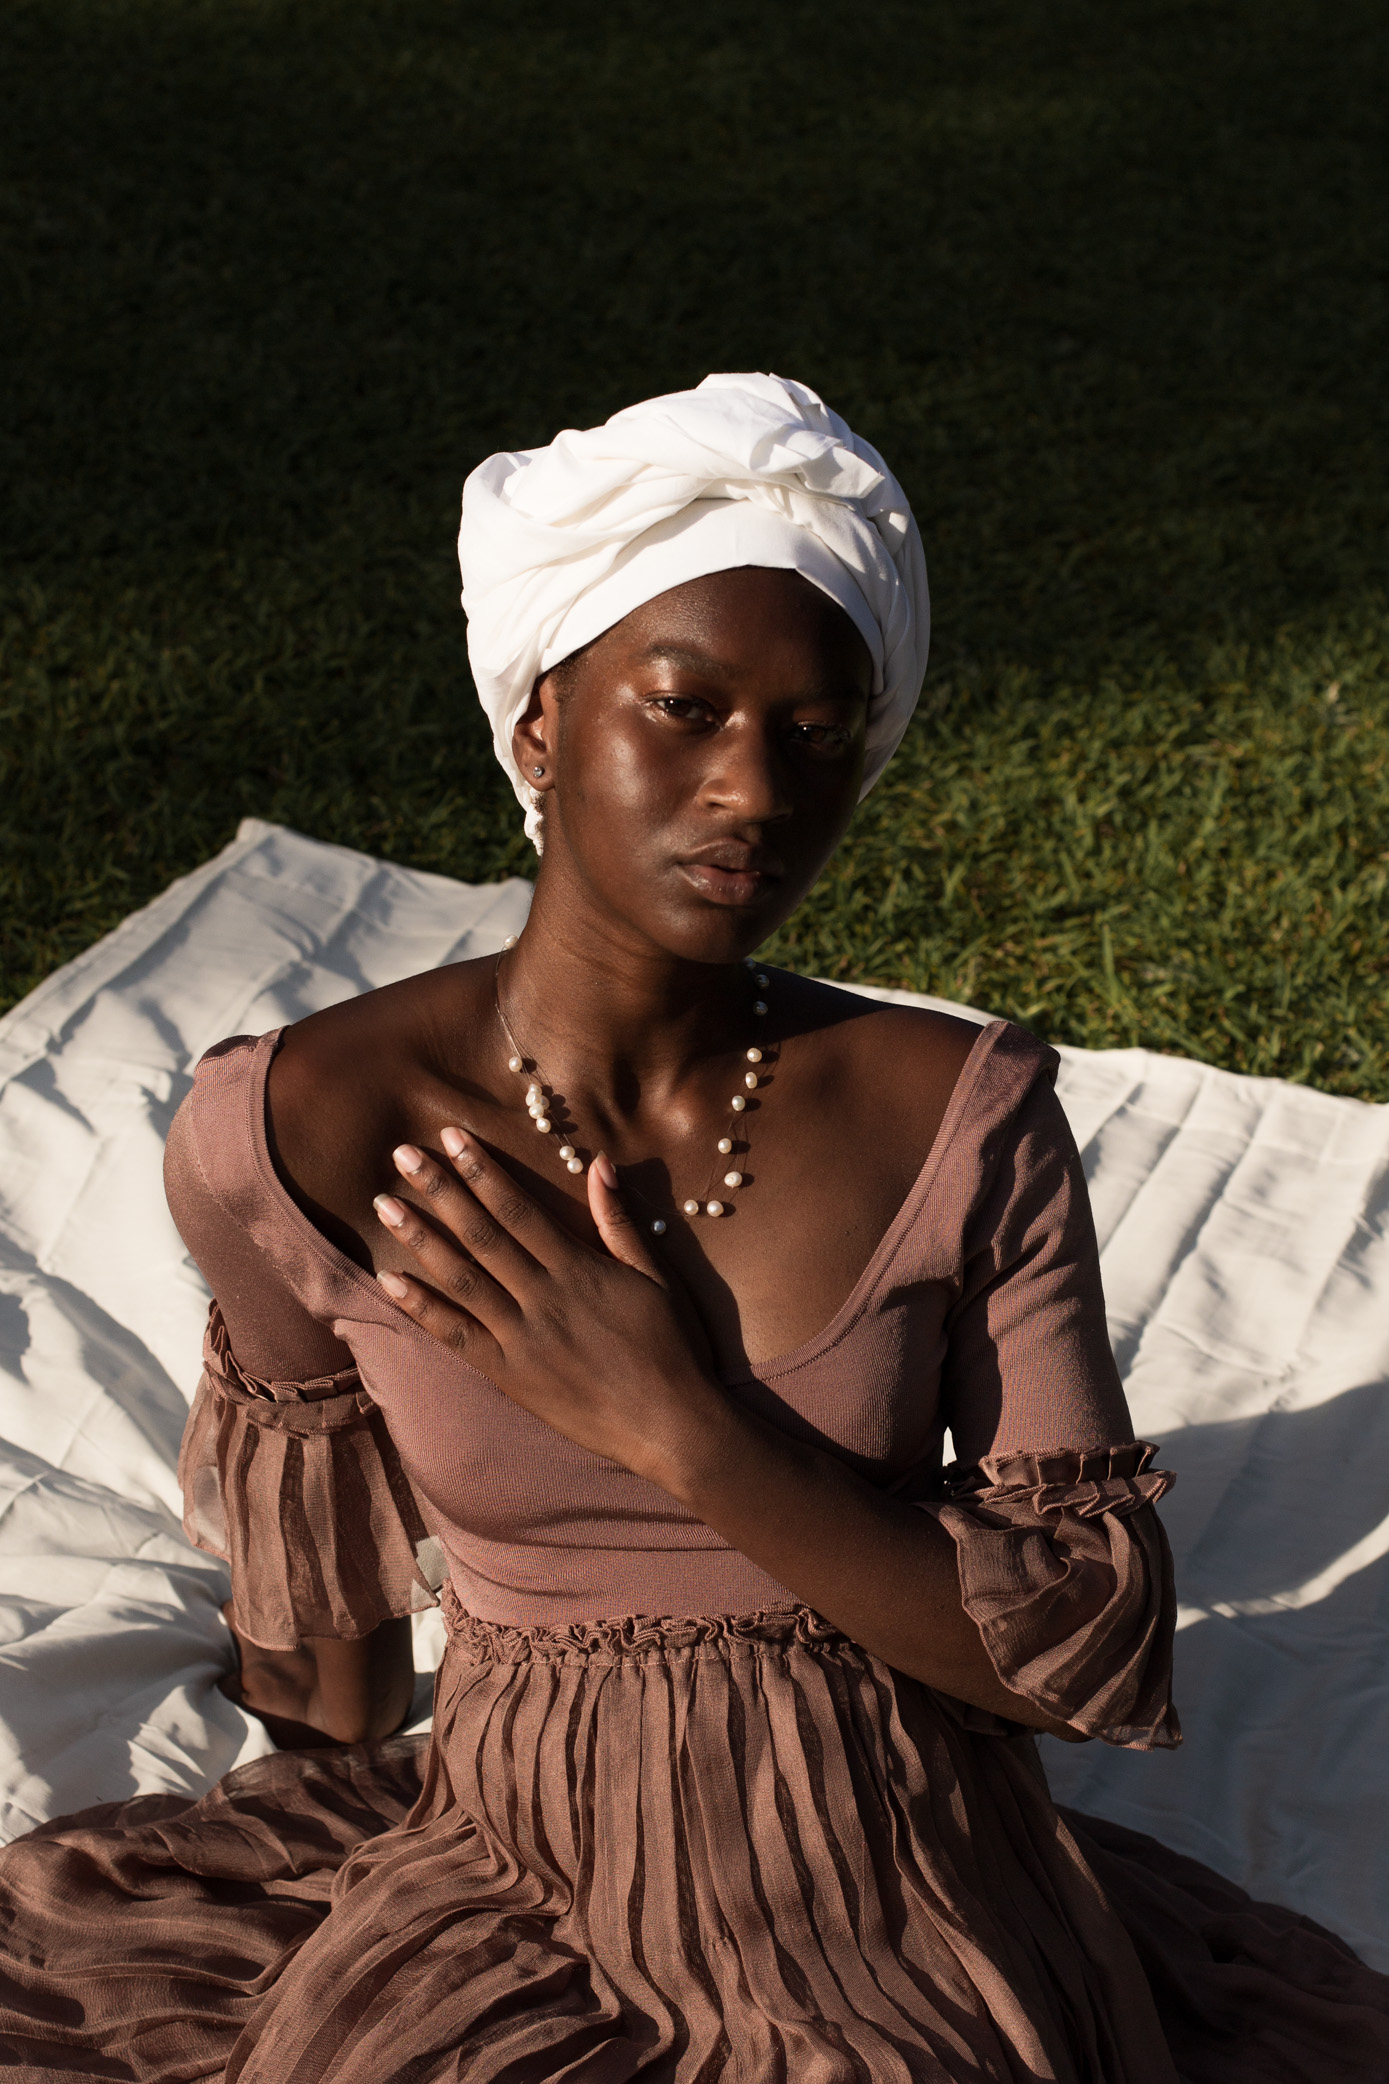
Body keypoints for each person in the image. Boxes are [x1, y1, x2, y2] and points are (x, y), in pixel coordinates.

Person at [0, 373, 1384, 2083]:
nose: (752, 787)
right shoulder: (296, 1130)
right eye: (685, 706)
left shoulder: (958, 1110)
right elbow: (327, 1622)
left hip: (903, 1864)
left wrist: (683, 1424)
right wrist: (309, 1790)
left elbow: (1079, 1662)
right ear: (539, 722)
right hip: (521, 1859)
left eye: (817, 733)